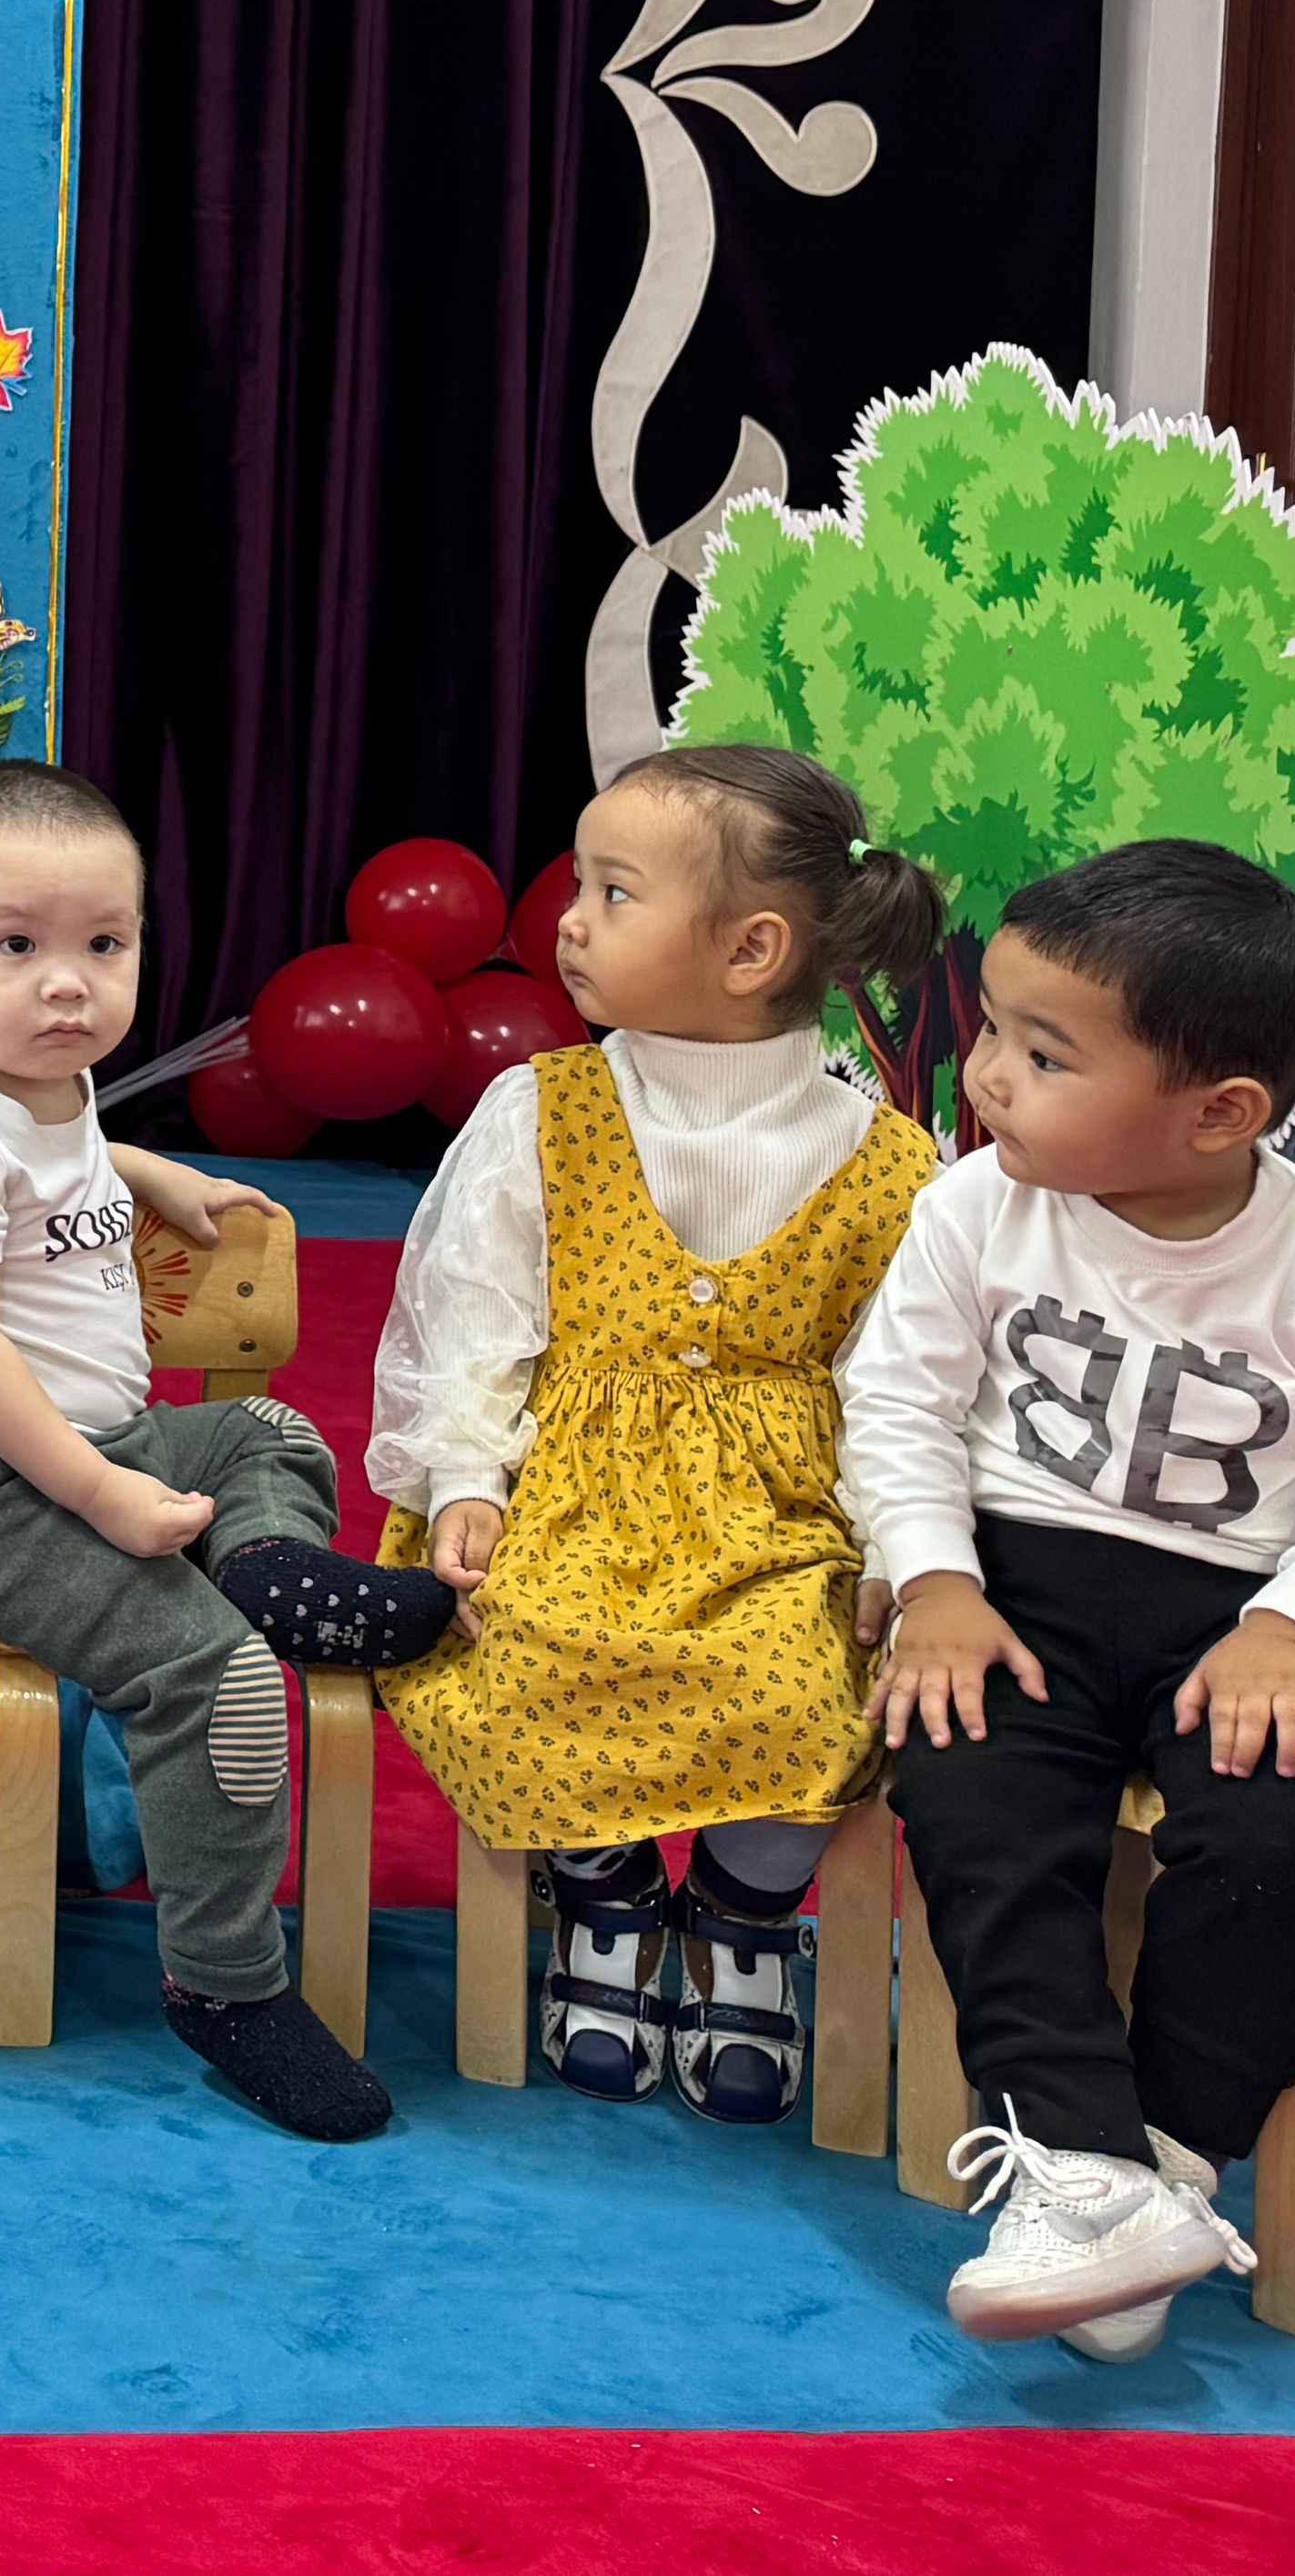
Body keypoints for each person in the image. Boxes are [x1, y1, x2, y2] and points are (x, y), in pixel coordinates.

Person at [847, 839, 1295, 2361]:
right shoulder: (973, 1208)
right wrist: (932, 1578)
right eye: (994, 1029)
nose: (988, 1076)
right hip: (1014, 1589)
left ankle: (1164, 2168)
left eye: (1044, 1054)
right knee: (975, 1796)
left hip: (1241, 1620)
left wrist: (1293, 1628)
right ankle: (1076, 2156)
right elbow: (897, 1405)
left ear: (1219, 1114)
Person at [0, 759, 453, 2144]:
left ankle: (272, 1565)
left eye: (104, 946)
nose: (68, 985)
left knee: (268, 1427)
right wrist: (106, 1494)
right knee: (220, 1679)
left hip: (101, 1441)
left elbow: (51, 1161)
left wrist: (148, 1168)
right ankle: (227, 1987)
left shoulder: (43, 1082)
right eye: (17, 946)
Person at [367, 745, 948, 2123]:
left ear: (752, 950)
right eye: (580, 885)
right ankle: (607, 1899)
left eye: (614, 893)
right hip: (564, 1491)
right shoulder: (542, 1108)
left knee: (813, 1686)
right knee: (525, 1648)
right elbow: (473, 1311)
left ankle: (743, 1921)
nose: (569, 920)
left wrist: (898, 1555)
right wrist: (467, 1474)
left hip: (782, 1520)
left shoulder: (890, 1161)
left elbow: (904, 1386)